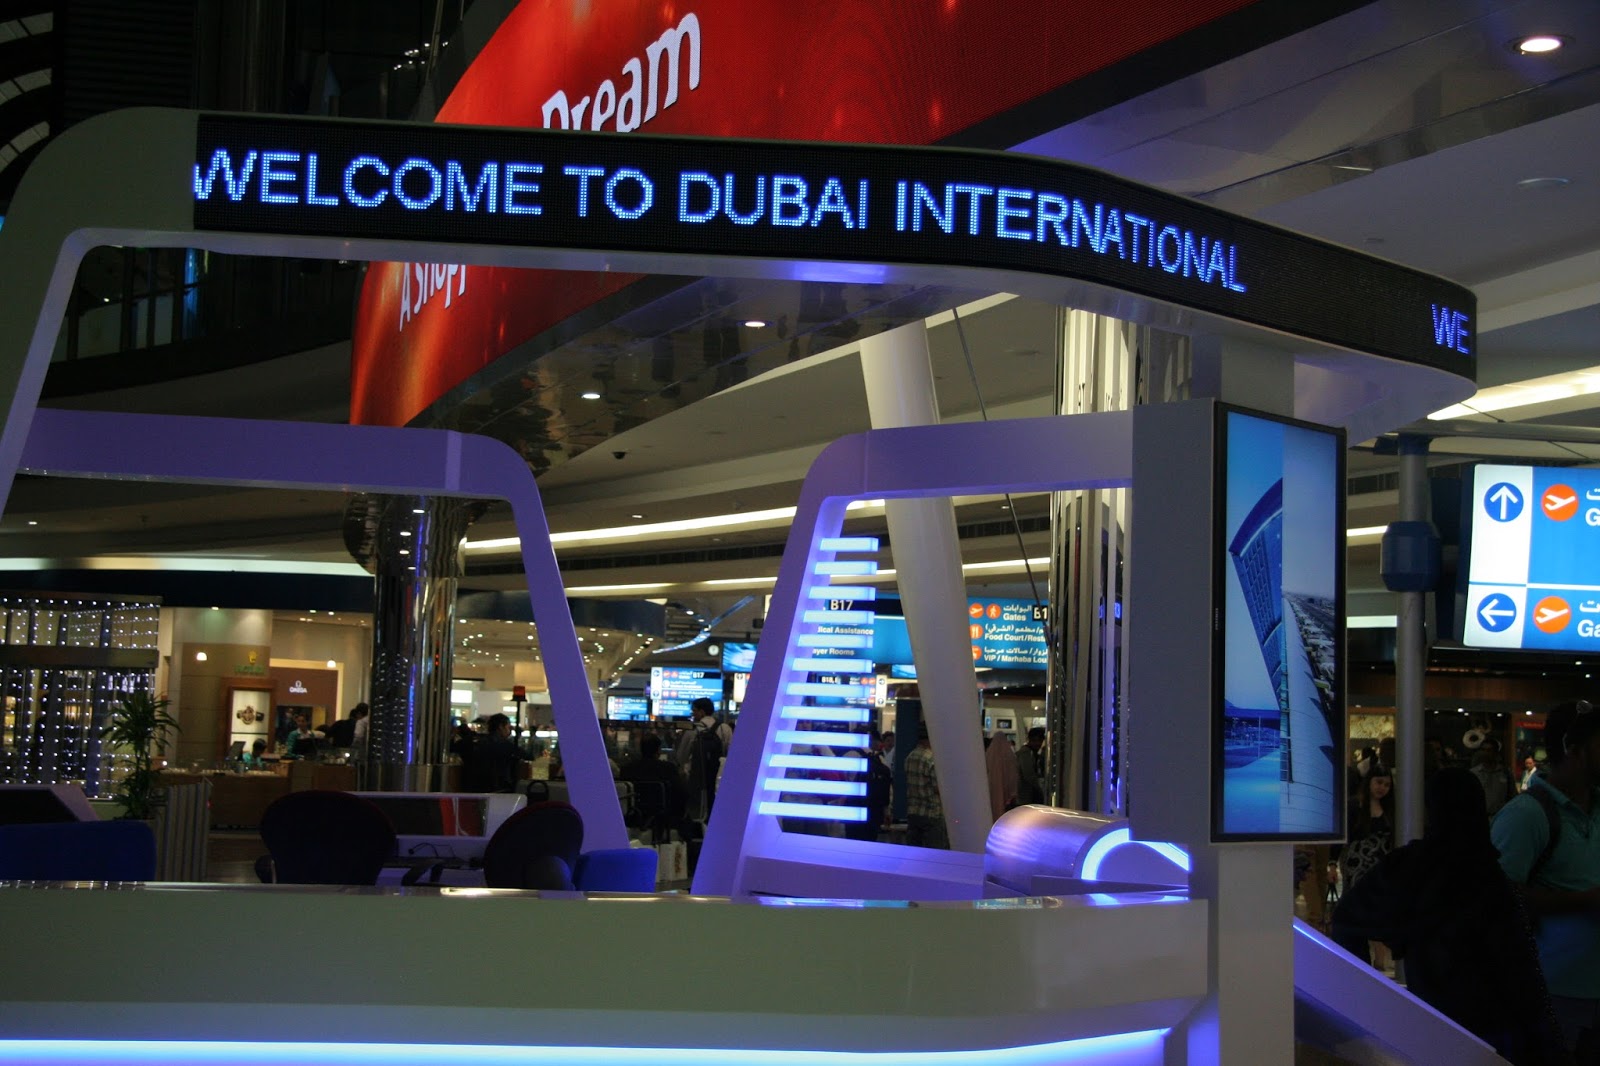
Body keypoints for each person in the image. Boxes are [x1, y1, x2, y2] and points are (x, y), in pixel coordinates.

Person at [1332, 769, 1567, 1064]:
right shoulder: (1491, 878)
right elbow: (1521, 974)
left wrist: (1366, 1000)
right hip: (1496, 1033)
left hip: (1432, 1025)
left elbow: (1346, 919)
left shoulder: (1409, 868)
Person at [1493, 700, 1600, 1058]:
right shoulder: (1526, 815)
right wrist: (1584, 901)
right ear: (1574, 749)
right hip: (1551, 992)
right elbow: (1495, 897)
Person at [622, 732, 689, 842]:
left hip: (634, 817)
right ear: (658, 751)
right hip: (663, 820)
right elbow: (681, 794)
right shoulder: (668, 769)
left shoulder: (627, 769)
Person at [1341, 765, 1395, 893]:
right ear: (1369, 781)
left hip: (1383, 866)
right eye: (1379, 782)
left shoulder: (1391, 808)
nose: (1382, 788)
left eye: (1387, 785)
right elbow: (1344, 836)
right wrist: (1332, 863)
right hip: (1356, 864)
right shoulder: (1353, 806)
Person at [674, 698, 724, 818]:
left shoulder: (692, 730)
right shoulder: (724, 728)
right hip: (718, 775)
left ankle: (697, 822)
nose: (693, 713)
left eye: (694, 710)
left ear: (702, 712)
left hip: (695, 776)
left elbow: (681, 756)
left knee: (696, 805)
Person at [845, 730, 893, 842]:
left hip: (853, 809)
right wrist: (887, 811)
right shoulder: (879, 759)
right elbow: (887, 787)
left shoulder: (849, 756)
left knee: (852, 843)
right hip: (873, 811)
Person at [460, 713, 526, 793]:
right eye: (508, 727)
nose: (509, 731)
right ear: (501, 727)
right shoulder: (505, 745)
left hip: (473, 787)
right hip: (498, 789)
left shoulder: (477, 743)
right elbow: (528, 756)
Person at [905, 727, 946, 849]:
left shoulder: (910, 757)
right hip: (932, 813)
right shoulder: (931, 759)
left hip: (913, 813)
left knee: (914, 852)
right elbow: (938, 788)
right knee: (933, 854)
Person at [1472, 740, 1514, 818]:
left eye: (1489, 750)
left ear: (1496, 753)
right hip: (1480, 817)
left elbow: (1513, 795)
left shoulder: (1505, 773)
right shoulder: (1474, 773)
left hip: (1501, 817)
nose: (1485, 753)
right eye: (1483, 750)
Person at [984, 730, 1019, 820]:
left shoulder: (988, 754)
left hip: (992, 789)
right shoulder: (1009, 755)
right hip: (1006, 794)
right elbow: (1012, 776)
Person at [1016, 726, 1047, 806]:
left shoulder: (1031, 753)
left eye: (1040, 741)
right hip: (1025, 795)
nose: (1038, 744)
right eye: (1035, 740)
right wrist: (1039, 789)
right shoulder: (1026, 753)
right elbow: (1028, 774)